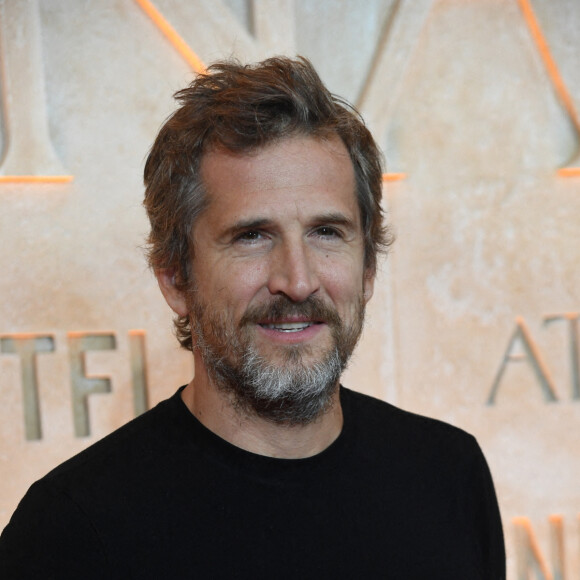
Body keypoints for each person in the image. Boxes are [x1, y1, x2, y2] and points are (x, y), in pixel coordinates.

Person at [0, 56, 505, 579]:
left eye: (327, 232)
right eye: (252, 236)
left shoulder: (449, 474)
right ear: (176, 278)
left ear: (369, 267)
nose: (298, 279)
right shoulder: (72, 530)